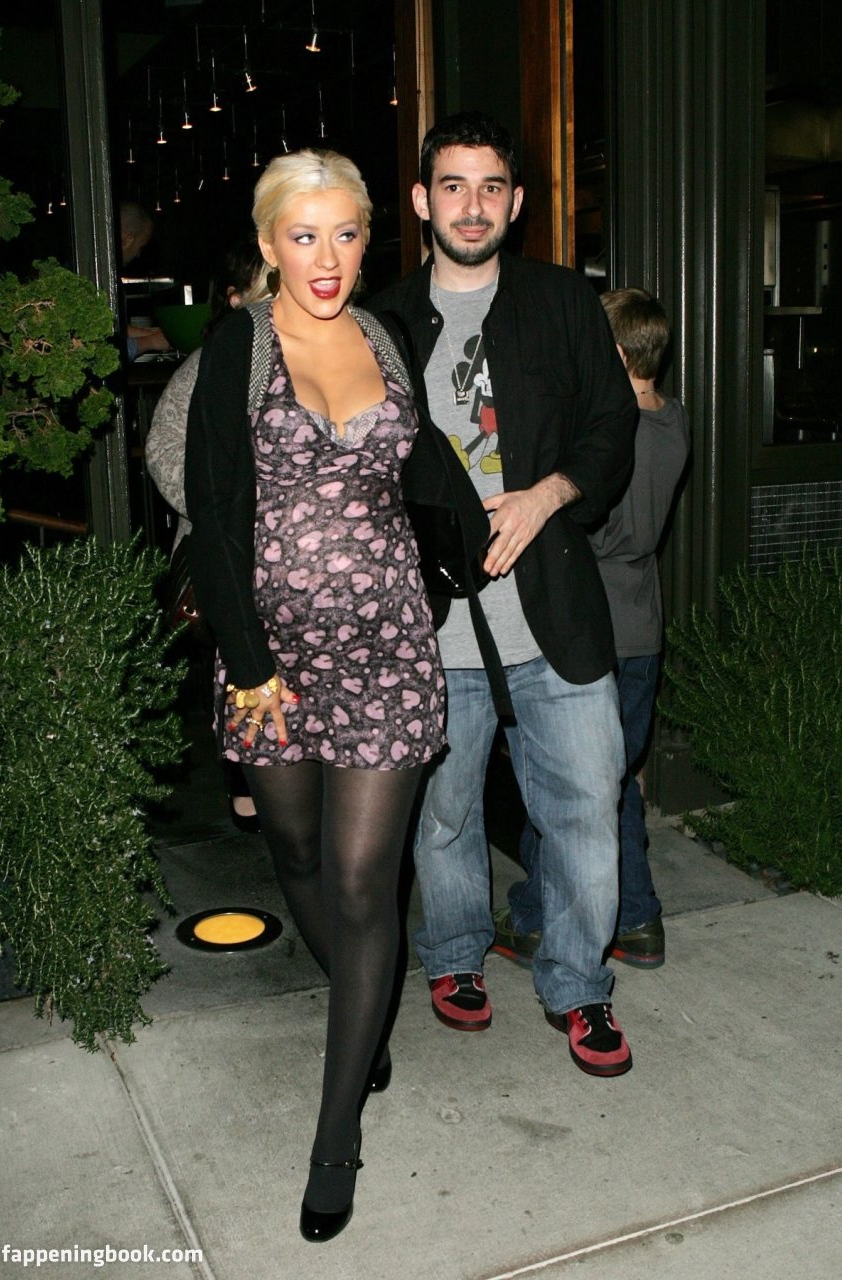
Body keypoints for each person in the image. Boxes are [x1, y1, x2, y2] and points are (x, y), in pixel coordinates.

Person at [184, 149, 446, 1242]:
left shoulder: (385, 337)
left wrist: (468, 547)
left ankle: (335, 1135)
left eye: (345, 233)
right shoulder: (238, 345)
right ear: (268, 244)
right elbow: (209, 509)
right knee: (293, 851)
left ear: (366, 238)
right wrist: (249, 664)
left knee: (359, 880)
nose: (326, 257)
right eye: (304, 236)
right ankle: (361, 1008)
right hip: (271, 661)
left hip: (387, 647)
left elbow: (420, 469)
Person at [369, 111, 638, 1079]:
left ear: (516, 202)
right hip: (433, 632)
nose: (471, 205)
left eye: (490, 187)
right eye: (453, 185)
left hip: (552, 617)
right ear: (421, 199)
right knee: (442, 818)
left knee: (585, 812)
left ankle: (579, 984)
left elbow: (611, 426)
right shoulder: (381, 321)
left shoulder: (562, 301)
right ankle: (452, 955)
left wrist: (550, 491)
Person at [492, 288, 690, 970]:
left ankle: (535, 917)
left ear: (616, 355)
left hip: (589, 630)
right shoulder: (673, 420)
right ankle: (636, 918)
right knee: (611, 781)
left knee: (565, 786)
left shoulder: (613, 434)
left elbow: (593, 524)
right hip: (642, 626)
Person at [145, 236, 271, 833]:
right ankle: (248, 782)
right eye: (268, 286)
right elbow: (164, 447)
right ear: (237, 298)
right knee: (237, 671)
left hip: (300, 564)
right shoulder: (212, 360)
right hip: (228, 554)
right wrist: (223, 508)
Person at [119, 201, 170, 359]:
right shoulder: (95, 276)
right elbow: (107, 350)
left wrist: (150, 334)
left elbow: (112, 327)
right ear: (127, 239)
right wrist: (152, 341)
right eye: (141, 246)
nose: (138, 254)